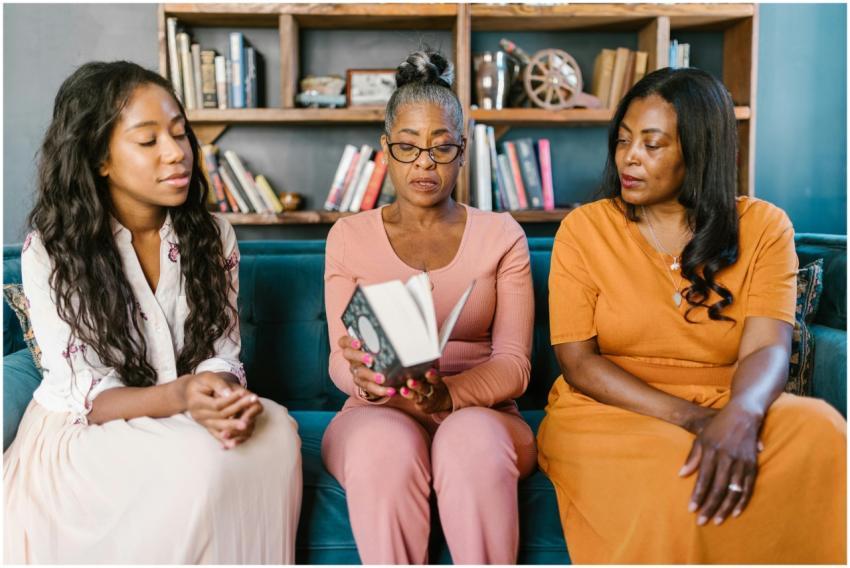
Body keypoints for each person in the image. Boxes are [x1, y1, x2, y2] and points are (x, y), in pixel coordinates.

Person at [537, 66, 846, 563]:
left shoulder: (764, 227)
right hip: (610, 410)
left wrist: (741, 416)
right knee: (677, 472)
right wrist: (697, 420)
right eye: (623, 141)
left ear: (699, 151)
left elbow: (768, 345)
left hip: (731, 395)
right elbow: (579, 364)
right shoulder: (584, 229)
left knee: (822, 432)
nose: (629, 158)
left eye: (653, 145)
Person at [3, 61, 302, 564]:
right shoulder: (51, 250)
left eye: (180, 134)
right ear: (99, 157)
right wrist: (184, 394)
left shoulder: (211, 233)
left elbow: (220, 353)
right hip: (86, 432)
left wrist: (222, 398)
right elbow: (89, 395)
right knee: (198, 462)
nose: (176, 153)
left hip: (180, 412)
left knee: (277, 433)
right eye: (148, 141)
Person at [322, 50, 537, 564]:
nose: (425, 163)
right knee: (383, 448)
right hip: (378, 411)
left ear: (463, 152)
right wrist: (364, 379)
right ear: (386, 151)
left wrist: (450, 396)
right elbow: (339, 357)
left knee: (470, 443)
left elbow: (514, 364)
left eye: (442, 148)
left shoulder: (501, 235)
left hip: (483, 413)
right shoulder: (349, 237)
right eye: (408, 147)